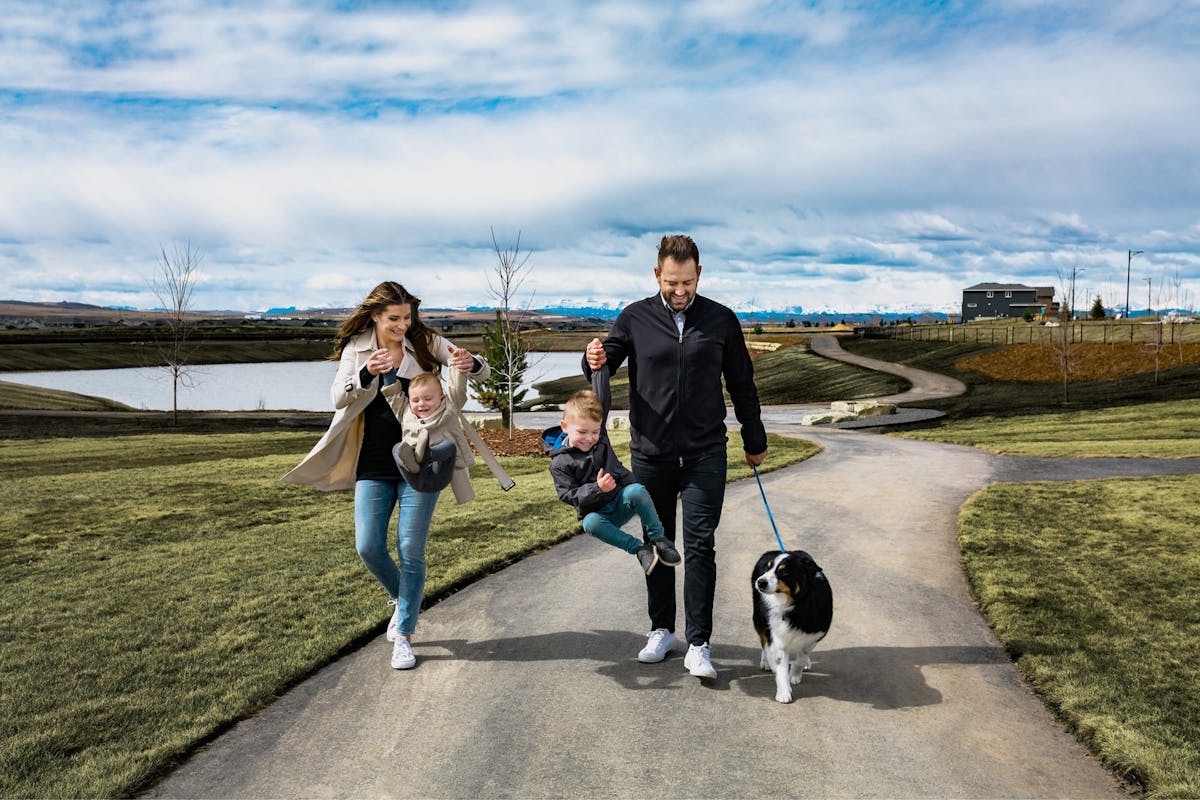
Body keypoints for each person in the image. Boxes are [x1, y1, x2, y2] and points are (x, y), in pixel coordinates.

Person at [584, 234, 767, 680]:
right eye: (671, 282)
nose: (680, 291)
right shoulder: (634, 318)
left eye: (687, 282)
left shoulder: (722, 320)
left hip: (706, 452)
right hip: (651, 454)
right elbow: (601, 362)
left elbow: (742, 382)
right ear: (657, 275)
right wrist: (589, 357)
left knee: (700, 546)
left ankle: (699, 643)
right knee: (657, 540)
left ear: (699, 274)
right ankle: (661, 629)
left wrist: (754, 435)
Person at [282, 281, 488, 671]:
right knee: (368, 546)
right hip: (373, 460)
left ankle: (405, 636)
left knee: (411, 549)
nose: (402, 325)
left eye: (407, 317)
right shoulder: (356, 349)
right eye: (394, 319)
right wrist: (363, 374)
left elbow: (475, 364)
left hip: (423, 460)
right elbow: (338, 398)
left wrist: (469, 363)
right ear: (375, 316)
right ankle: (404, 599)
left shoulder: (426, 341)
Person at [545, 369, 682, 574]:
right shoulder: (560, 462)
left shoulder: (601, 442)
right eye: (582, 432)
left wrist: (600, 368)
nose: (589, 438)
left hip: (620, 500)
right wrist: (597, 489)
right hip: (598, 513)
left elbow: (602, 401)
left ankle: (660, 540)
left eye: (595, 431)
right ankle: (639, 549)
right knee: (590, 524)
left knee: (636, 489)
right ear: (564, 426)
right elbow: (567, 495)